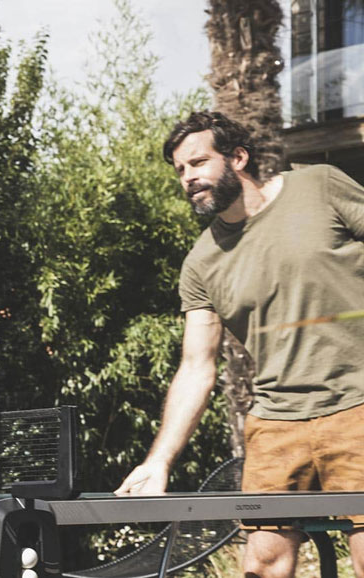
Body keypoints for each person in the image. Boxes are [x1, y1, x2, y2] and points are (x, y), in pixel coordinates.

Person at [115, 111, 364, 578]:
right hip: (275, 422)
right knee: (263, 562)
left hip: (358, 406)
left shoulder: (320, 187)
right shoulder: (201, 263)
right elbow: (196, 367)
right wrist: (159, 461)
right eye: (180, 170)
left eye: (198, 162)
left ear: (239, 158)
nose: (188, 177)